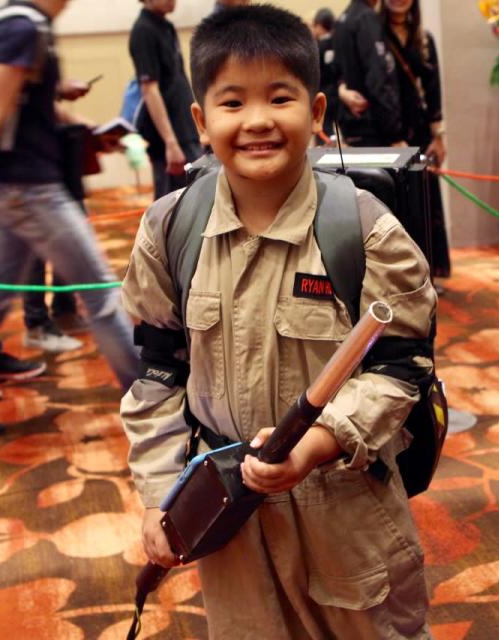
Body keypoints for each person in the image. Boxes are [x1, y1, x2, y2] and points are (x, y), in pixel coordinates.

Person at [120, 6, 435, 638]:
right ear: (201, 122)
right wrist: (161, 494)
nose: (258, 120)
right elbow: (157, 376)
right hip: (231, 517)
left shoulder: (365, 232)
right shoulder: (169, 231)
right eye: (232, 103)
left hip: (346, 511)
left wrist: (318, 444)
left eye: (280, 98)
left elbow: (402, 370)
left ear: (317, 115)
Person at [0, 0, 139, 417]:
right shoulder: (21, 28)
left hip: (17, 188)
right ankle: (149, 401)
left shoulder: (29, 27)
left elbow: (30, 105)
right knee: (102, 295)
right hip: (27, 190)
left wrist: (87, 130)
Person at [379, 0, 450, 280]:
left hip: (419, 133)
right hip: (388, 134)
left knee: (427, 201)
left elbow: (433, 91)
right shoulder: (374, 35)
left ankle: (430, 271)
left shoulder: (424, 39)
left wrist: (439, 136)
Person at [129, 0, 202, 199]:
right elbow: (149, 89)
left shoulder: (166, 26)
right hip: (170, 139)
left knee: (197, 197)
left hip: (186, 129)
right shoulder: (143, 31)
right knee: (170, 206)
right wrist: (170, 143)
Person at [332, 0, 405, 146]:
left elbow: (335, 73)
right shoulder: (366, 18)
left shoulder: (342, 18)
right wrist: (394, 135)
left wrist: (340, 90)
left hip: (351, 124)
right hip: (373, 125)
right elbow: (377, 79)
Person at [312, 7, 339, 137]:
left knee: (324, 125)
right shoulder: (338, 44)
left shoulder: (317, 47)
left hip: (323, 91)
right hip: (338, 92)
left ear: (319, 25)